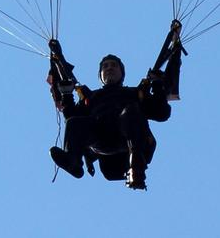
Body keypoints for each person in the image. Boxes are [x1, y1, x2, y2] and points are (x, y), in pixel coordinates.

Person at [48, 53, 172, 190]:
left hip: (126, 136)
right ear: (100, 75)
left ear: (122, 73)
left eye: (114, 65)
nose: (109, 68)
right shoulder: (91, 96)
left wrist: (157, 85)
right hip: (101, 139)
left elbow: (161, 113)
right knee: (74, 123)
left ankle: (136, 166)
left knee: (131, 111)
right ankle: (73, 161)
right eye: (105, 66)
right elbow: (72, 119)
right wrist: (67, 95)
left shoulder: (135, 93)